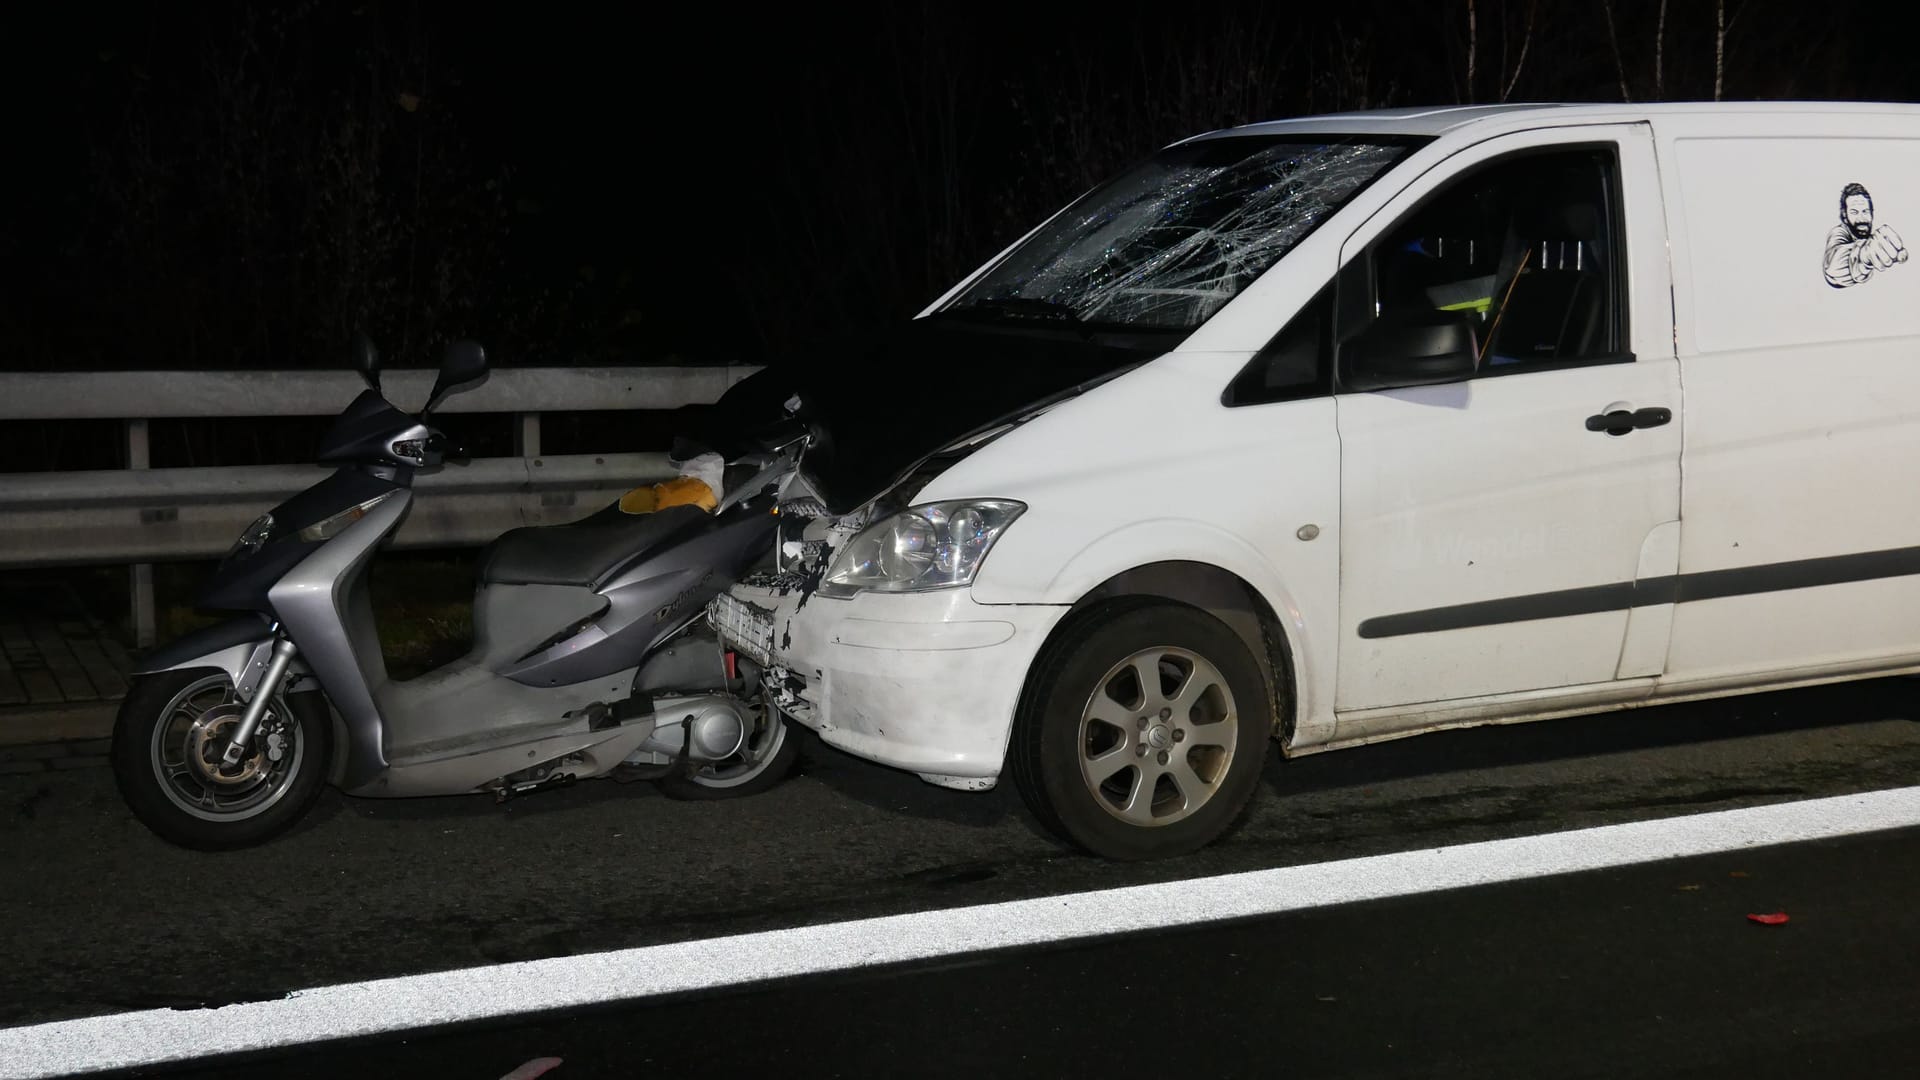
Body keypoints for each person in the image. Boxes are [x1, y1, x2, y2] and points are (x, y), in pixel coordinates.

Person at [1824, 182, 1907, 288]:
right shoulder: (1839, 233)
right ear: (1845, 216)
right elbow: (1832, 268)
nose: (1861, 219)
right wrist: (1864, 255)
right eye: (1854, 212)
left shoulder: (1875, 239)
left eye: (1865, 211)